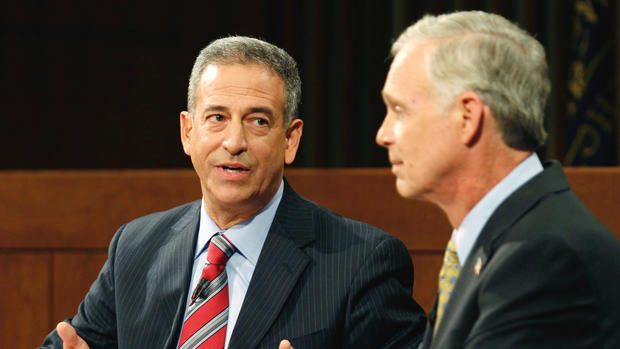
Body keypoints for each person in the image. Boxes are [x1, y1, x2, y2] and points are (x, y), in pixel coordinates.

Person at [39, 36, 426, 349]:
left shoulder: (361, 263)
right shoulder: (136, 248)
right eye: (217, 118)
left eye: (258, 121)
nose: (234, 142)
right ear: (188, 131)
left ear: (290, 140)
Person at [372, 10, 620, 348]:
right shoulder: (503, 239)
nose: (383, 135)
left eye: (399, 110)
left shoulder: (542, 257)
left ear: (468, 117)